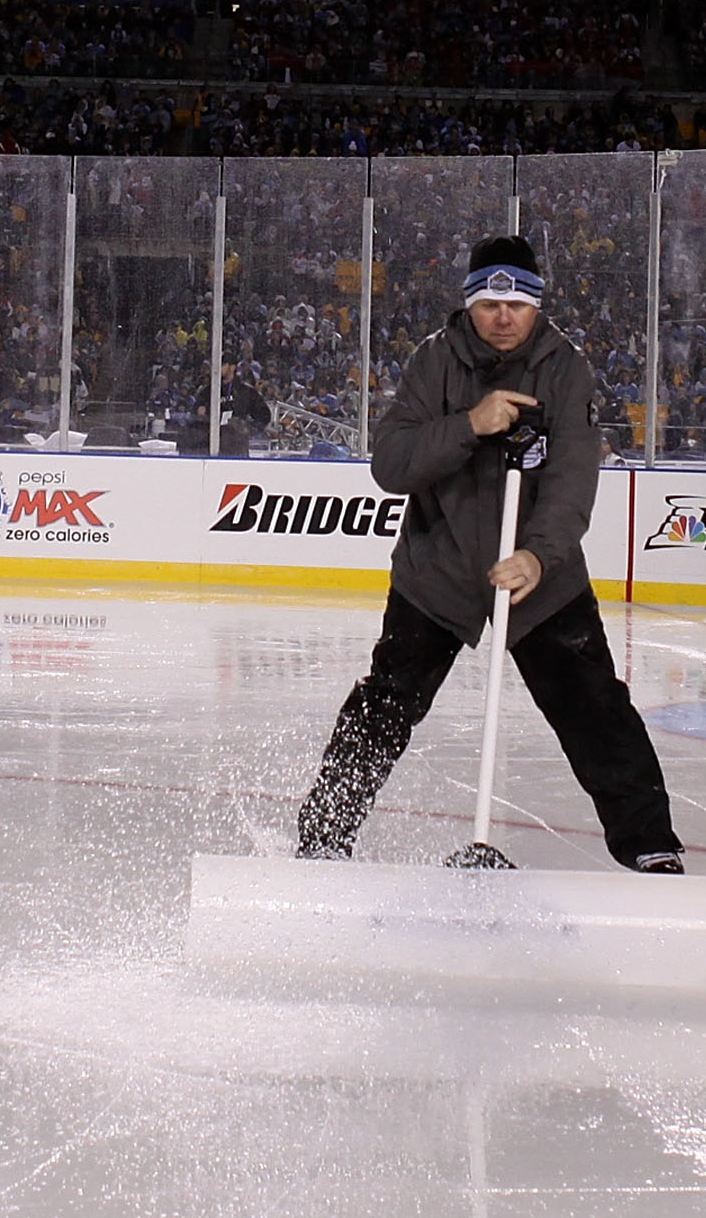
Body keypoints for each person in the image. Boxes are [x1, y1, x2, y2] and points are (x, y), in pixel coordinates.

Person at [294, 233, 686, 872]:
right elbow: (391, 464)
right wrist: (469, 425)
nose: (504, 317)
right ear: (470, 305)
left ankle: (651, 846)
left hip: (538, 580)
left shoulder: (565, 369)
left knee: (594, 708)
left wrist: (537, 555)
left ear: (537, 305)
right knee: (385, 703)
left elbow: (572, 479)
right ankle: (323, 837)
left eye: (519, 302)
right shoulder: (434, 363)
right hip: (438, 571)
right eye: (489, 303)